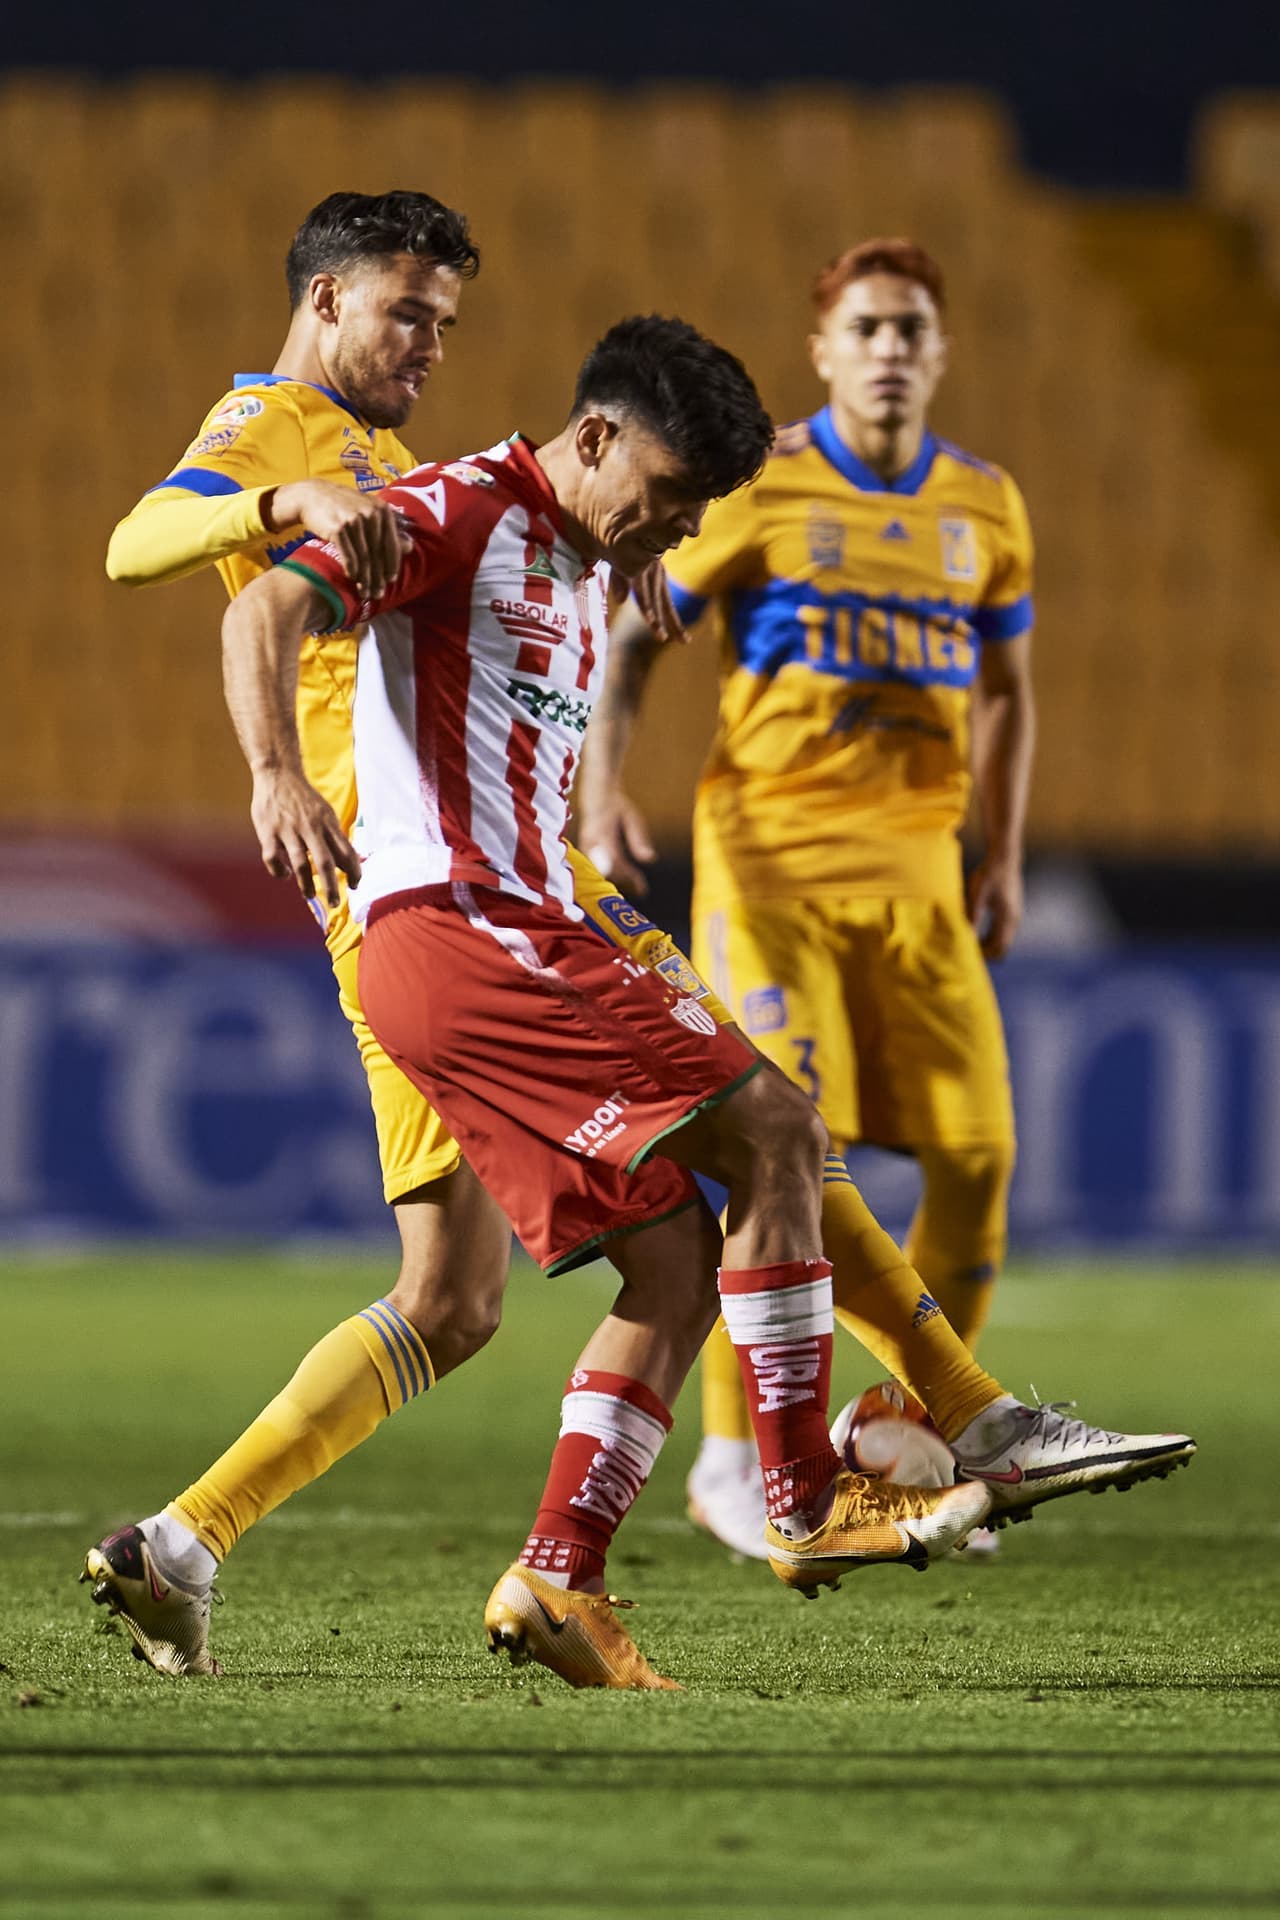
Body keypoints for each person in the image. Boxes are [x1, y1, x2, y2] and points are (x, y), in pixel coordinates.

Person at [222, 313, 1194, 1691]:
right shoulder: (448, 512)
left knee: (677, 1268)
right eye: (666, 500)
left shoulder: (581, 559)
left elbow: (574, 655)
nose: (673, 533)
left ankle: (561, 1577)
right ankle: (804, 1493)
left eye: (696, 514)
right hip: (468, 933)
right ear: (598, 437)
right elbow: (263, 606)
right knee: (780, 1133)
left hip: (517, 932)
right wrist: (275, 776)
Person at [84, 197, 983, 1685]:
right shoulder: (274, 425)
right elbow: (136, 544)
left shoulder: (415, 469)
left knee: (457, 1296)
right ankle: (874, 1450)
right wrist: (274, 511)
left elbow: (511, 526)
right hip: (437, 897)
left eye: (447, 316)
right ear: (320, 301)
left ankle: (182, 1546)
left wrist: (602, 549)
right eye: (404, 311)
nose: (431, 341)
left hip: (471, 889)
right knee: (763, 1128)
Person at [577, 237, 1089, 1557]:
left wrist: (1005, 848)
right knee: (786, 1148)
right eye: (866, 327)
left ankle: (914, 1439)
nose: (891, 349)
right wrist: (600, 790)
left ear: (942, 348)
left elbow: (1012, 697)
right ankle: (742, 1465)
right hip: (771, 873)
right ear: (823, 350)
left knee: (977, 1161)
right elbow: (632, 636)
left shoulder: (988, 505)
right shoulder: (764, 486)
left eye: (913, 327)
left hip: (920, 879)